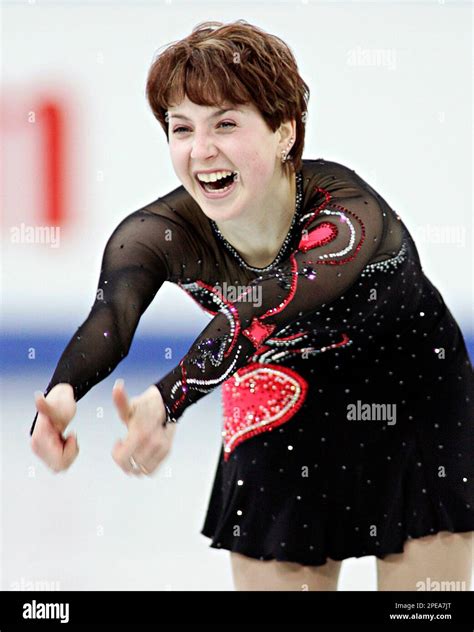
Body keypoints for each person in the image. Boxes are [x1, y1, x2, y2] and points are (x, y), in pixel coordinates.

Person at [30, 20, 473, 591]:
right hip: (279, 395)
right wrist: (61, 393)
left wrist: (168, 399)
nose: (201, 150)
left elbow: (263, 308)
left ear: (284, 132)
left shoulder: (348, 217)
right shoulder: (156, 235)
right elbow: (111, 318)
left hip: (413, 403)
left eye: (227, 123)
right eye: (181, 128)